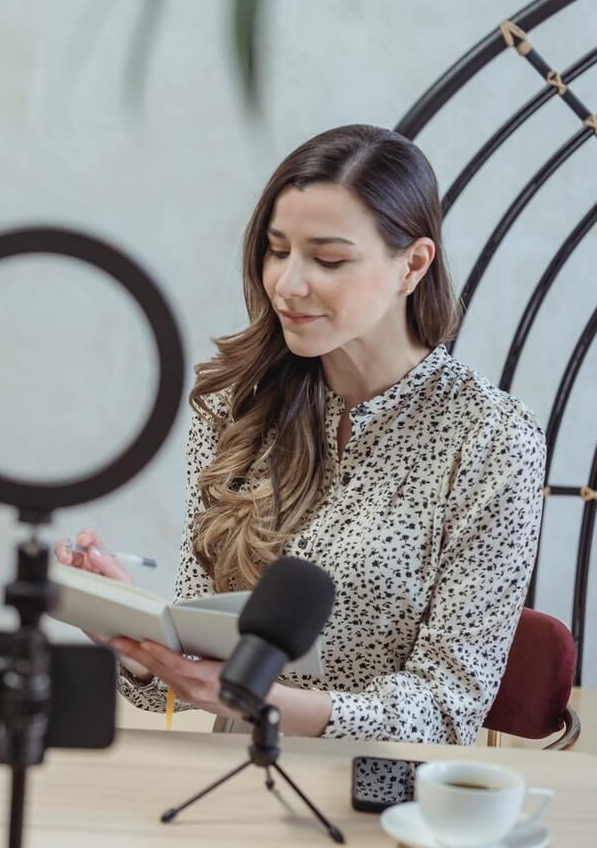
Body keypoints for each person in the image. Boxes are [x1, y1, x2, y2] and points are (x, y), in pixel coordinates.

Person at [57, 124, 546, 745]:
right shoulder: (236, 406)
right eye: (277, 249)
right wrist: (133, 631)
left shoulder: (494, 440)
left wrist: (267, 700)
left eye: (328, 259)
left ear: (412, 265)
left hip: (378, 799)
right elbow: (192, 650)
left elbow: (448, 707)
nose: (287, 283)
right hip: (227, 781)